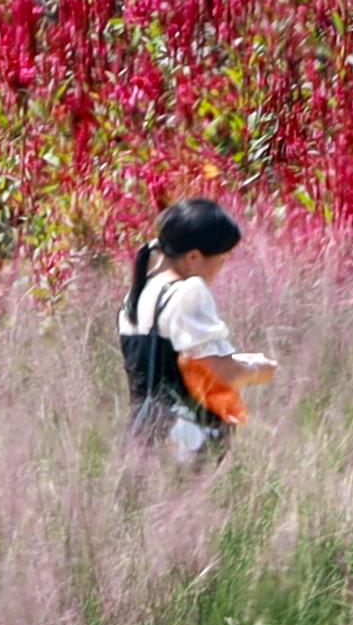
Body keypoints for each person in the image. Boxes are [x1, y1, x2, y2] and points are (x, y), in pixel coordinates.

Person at [116, 198, 272, 463]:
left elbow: (178, 363)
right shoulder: (189, 292)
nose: (220, 272)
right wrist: (258, 369)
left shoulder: (138, 294)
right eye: (220, 262)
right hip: (187, 442)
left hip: (143, 440)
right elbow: (215, 372)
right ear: (193, 257)